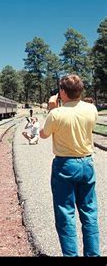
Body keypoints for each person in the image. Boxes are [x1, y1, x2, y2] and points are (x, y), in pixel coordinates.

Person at [39, 74, 100, 257]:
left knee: (66, 214)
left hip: (65, 165)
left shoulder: (56, 114)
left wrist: (51, 109)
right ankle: (93, 254)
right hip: (87, 163)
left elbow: (43, 134)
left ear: (62, 92)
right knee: (89, 212)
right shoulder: (91, 109)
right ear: (80, 91)